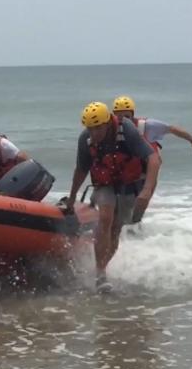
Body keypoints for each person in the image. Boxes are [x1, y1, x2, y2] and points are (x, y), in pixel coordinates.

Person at [68, 102, 160, 293]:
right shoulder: (86, 139)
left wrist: (147, 190)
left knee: (116, 228)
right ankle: (101, 275)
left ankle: (101, 267)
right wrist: (72, 196)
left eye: (97, 129)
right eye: (90, 129)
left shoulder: (126, 130)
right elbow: (81, 169)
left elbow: (153, 159)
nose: (93, 133)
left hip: (129, 184)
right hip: (104, 184)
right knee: (105, 218)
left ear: (108, 123)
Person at [112, 95, 192, 222]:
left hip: (146, 175)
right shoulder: (113, 129)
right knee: (121, 209)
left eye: (126, 116)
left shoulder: (147, 126)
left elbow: (172, 129)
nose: (122, 120)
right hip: (126, 174)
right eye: (118, 117)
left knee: (139, 208)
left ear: (132, 114)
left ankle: (136, 230)